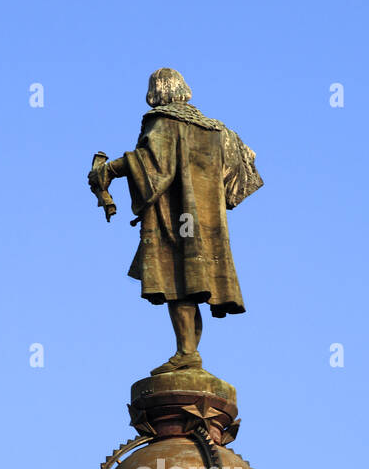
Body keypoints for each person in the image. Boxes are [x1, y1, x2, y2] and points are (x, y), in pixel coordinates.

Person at [88, 68, 263, 372]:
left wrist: (108, 172)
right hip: (207, 225)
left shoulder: (163, 121)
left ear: (156, 91)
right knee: (192, 284)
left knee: (176, 281)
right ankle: (188, 352)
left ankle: (187, 352)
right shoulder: (218, 129)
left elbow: (151, 161)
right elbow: (246, 162)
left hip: (175, 217)